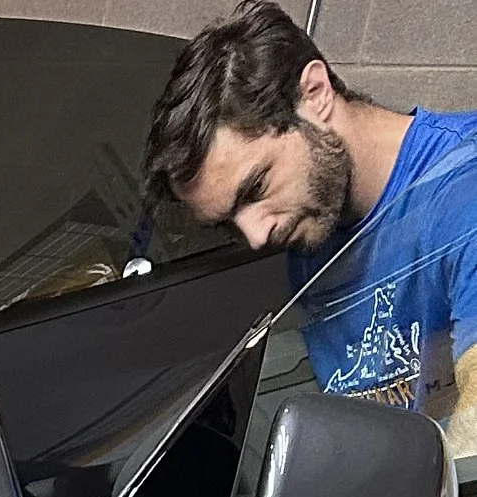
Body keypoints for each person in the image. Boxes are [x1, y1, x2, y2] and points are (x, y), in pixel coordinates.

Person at [144, 1, 477, 459]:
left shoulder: (463, 189)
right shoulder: (310, 237)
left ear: (316, 94)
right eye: (228, 223)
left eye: (256, 186)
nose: (257, 236)